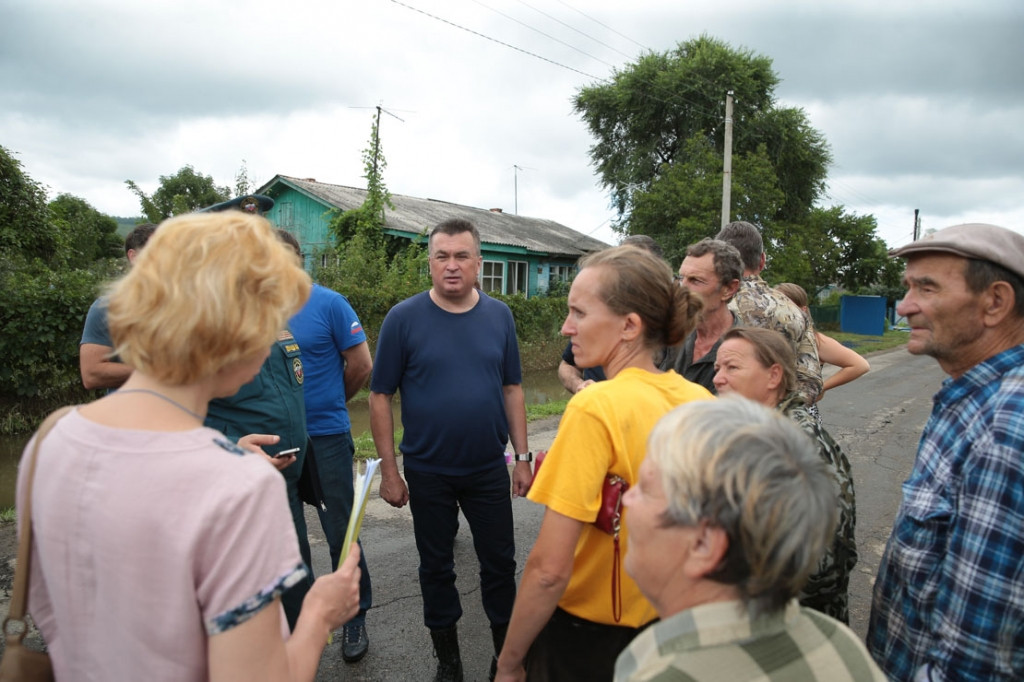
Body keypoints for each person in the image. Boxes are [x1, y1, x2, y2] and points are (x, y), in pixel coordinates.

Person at [16, 211, 361, 681]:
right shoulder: (239, 485)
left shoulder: (50, 440)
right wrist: (322, 610)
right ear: (236, 327)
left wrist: (225, 454)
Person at [496, 245, 711, 682]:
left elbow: (548, 571)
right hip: (672, 626)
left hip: (589, 639)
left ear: (629, 326)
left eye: (578, 313)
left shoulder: (597, 407)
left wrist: (510, 662)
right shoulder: (702, 401)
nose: (565, 326)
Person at [613, 398, 884, 681]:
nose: (627, 498)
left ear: (703, 544)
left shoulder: (666, 673)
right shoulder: (840, 643)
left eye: (644, 488)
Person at [369, 218, 531, 682]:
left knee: (500, 564)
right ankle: (449, 661)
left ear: (480, 262)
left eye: (462, 256)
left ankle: (507, 659)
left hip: (486, 469)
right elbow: (380, 395)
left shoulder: (499, 316)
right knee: (436, 567)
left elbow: (512, 387)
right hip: (427, 471)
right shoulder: (404, 318)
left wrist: (521, 458)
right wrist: (390, 471)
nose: (452, 266)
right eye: (442, 256)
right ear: (430, 263)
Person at [867, 223, 1024, 680]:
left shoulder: (1006, 429)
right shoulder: (971, 394)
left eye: (927, 288)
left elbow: (973, 660)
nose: (905, 305)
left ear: (995, 302)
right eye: (908, 286)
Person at [202, 197, 313, 632]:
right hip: (233, 489)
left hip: (282, 477)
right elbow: (172, 421)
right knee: (251, 602)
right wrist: (229, 451)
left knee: (295, 581)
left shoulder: (266, 310)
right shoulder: (205, 321)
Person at [712, 326, 857, 622]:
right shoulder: (757, 432)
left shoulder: (795, 445)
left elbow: (823, 564)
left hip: (791, 628)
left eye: (732, 367)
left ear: (774, 376)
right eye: (717, 367)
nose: (717, 378)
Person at [279, 229, 375, 663]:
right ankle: (302, 624)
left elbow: (360, 365)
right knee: (287, 537)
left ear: (299, 260)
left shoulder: (328, 303)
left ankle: (354, 614)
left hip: (326, 435)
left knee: (340, 528)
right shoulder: (252, 310)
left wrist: (334, 402)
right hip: (277, 441)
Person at [715, 221, 822, 404]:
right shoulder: (794, 310)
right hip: (780, 421)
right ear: (762, 260)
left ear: (719, 261)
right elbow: (811, 380)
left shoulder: (714, 305)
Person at [557, 234, 662, 394]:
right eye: (620, 264)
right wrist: (580, 386)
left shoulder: (675, 328)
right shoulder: (600, 316)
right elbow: (567, 365)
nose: (566, 329)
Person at [79, 222, 157, 390]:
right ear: (134, 256)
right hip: (129, 414)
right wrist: (158, 372)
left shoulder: (186, 305)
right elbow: (92, 374)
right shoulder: (107, 307)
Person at [659, 238, 742, 392]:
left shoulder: (746, 352)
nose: (682, 288)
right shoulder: (669, 333)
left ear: (729, 289)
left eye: (695, 281)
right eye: (680, 278)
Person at [775, 282, 870, 401]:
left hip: (799, 412)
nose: (779, 311)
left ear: (802, 310)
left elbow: (860, 365)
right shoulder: (772, 337)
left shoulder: (815, 340)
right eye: (776, 305)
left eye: (785, 306)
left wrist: (822, 387)